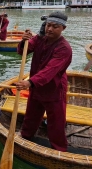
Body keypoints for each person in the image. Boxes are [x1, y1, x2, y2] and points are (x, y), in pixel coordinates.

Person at [15, 11, 72, 152]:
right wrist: (24, 41)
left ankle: (59, 150)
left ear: (63, 28)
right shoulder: (40, 38)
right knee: (31, 114)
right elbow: (23, 51)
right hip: (36, 87)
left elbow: (50, 71)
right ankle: (25, 136)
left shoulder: (64, 48)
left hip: (54, 89)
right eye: (48, 25)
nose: (50, 29)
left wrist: (30, 82)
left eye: (55, 27)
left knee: (56, 122)